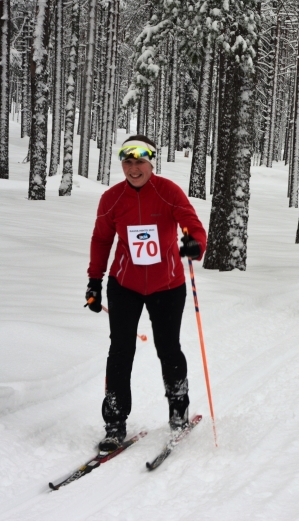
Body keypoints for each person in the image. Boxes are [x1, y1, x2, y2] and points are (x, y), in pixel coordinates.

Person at [86, 135, 207, 451]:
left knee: (168, 347)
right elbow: (101, 241)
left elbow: (191, 225)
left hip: (167, 286)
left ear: (151, 162)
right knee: (121, 349)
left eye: (140, 161)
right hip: (124, 284)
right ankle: (114, 423)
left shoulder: (168, 192)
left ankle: (178, 411)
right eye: (128, 161)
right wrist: (94, 283)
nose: (134, 168)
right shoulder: (112, 199)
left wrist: (195, 243)